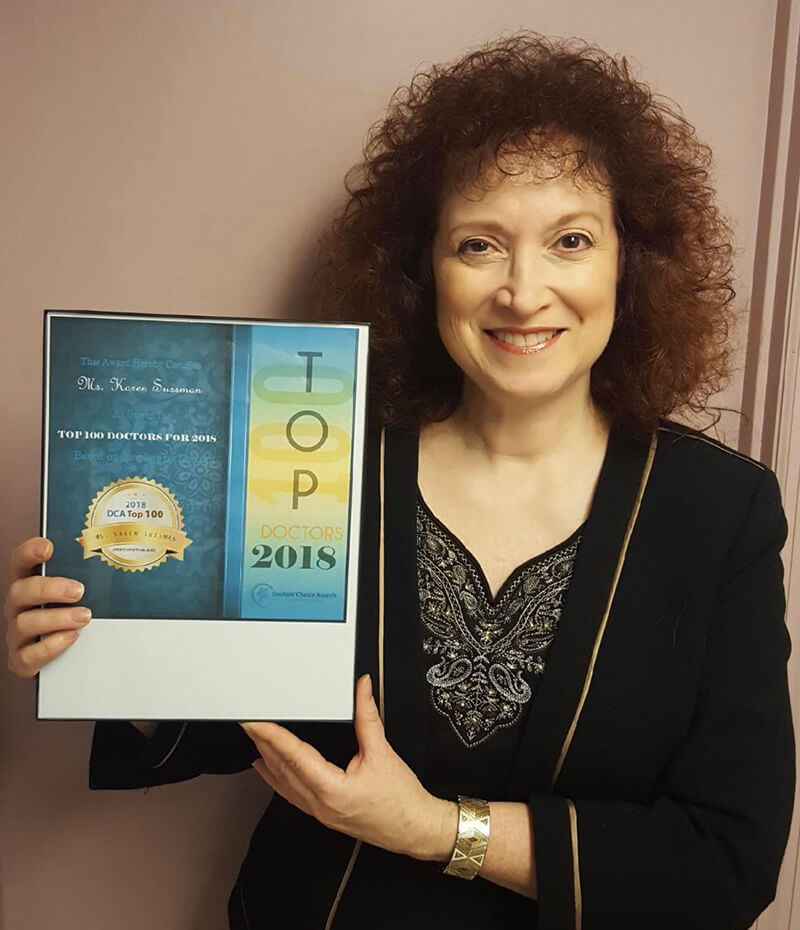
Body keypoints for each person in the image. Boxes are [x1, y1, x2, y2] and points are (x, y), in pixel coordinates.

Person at [5, 33, 795, 930]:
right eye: (479, 245)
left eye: (571, 240)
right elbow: (239, 710)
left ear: (631, 261)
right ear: (425, 270)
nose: (523, 291)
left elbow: (726, 864)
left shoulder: (720, 512)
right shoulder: (320, 459)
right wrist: (98, 639)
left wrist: (436, 831)